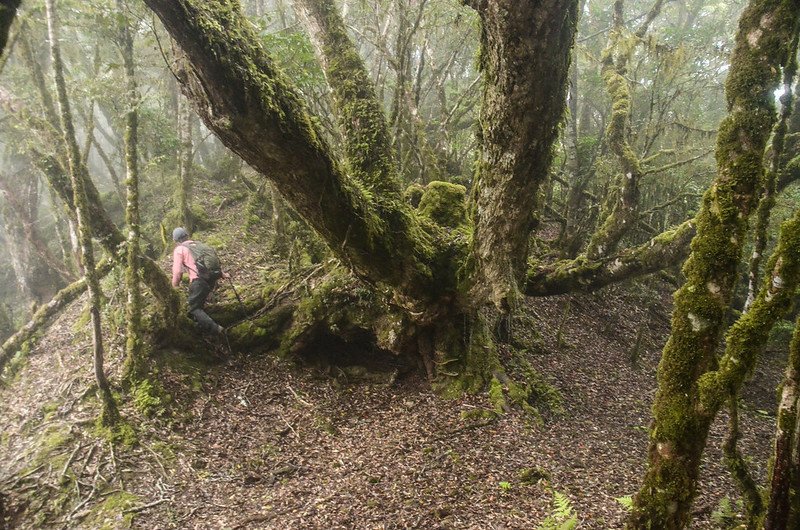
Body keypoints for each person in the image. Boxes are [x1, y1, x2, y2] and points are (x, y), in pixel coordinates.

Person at [171, 227, 226, 335]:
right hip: (211, 279)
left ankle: (217, 330)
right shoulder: (199, 245)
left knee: (193, 309)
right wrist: (222, 274)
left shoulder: (179, 249)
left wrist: (174, 287)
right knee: (200, 304)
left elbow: (177, 272)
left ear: (176, 240)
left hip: (198, 281)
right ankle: (204, 328)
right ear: (187, 235)